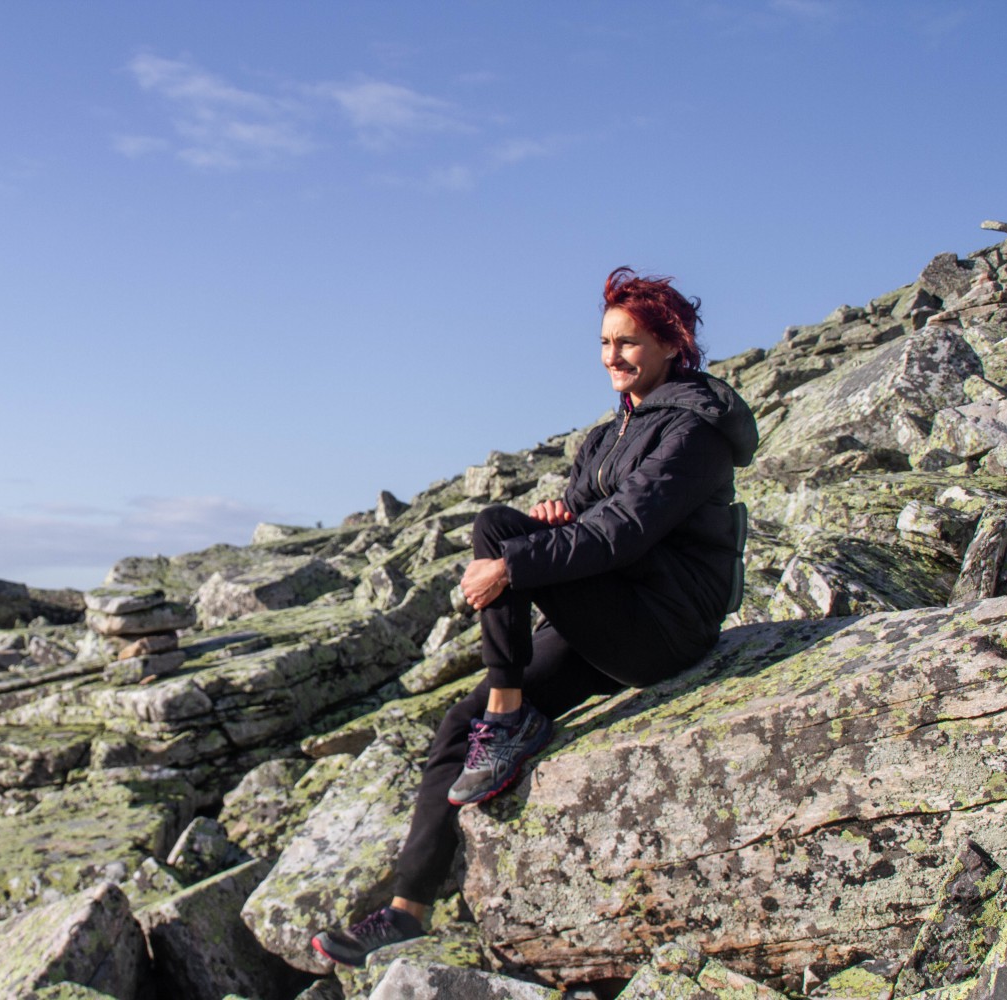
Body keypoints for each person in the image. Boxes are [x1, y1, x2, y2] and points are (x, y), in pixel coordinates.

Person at [311, 266, 760, 967]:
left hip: (664, 627)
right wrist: (558, 518)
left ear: (672, 345)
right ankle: (405, 911)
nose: (612, 356)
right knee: (459, 725)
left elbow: (626, 530)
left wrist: (515, 564)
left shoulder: (694, 432)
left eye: (629, 342)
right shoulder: (611, 432)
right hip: (612, 616)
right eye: (605, 342)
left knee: (498, 536)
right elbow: (590, 518)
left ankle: (510, 717)